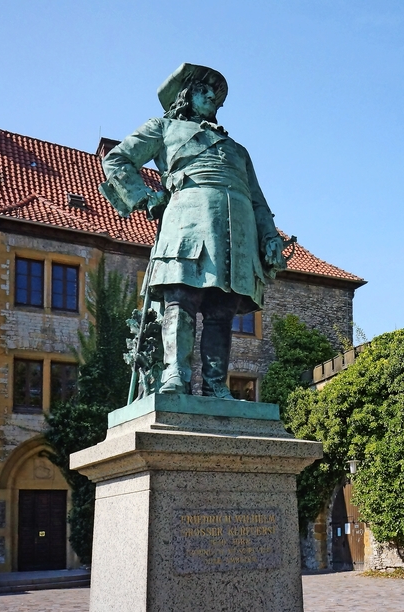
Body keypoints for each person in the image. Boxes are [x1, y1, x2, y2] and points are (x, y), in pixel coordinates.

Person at [100, 63, 287, 399]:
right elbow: (117, 159)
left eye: (216, 93)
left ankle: (216, 385)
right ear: (186, 94)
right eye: (205, 89)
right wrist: (144, 197)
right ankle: (175, 375)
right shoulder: (163, 128)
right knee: (181, 297)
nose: (213, 96)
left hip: (236, 231)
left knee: (222, 308)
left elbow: (258, 201)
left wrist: (270, 237)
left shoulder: (237, 150)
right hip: (188, 219)